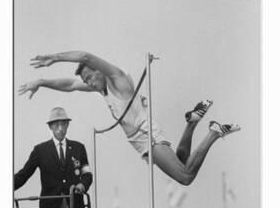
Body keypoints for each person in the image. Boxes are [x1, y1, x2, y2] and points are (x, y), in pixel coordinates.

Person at [19, 51, 240, 186]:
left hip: (147, 137)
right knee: (181, 159)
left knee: (185, 177)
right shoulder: (101, 89)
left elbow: (86, 56)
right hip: (145, 138)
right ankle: (191, 122)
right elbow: (69, 85)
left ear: (98, 71)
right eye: (85, 81)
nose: (88, 83)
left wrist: (55, 58)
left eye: (89, 78)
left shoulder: (118, 80)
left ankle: (214, 132)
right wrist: (40, 81)